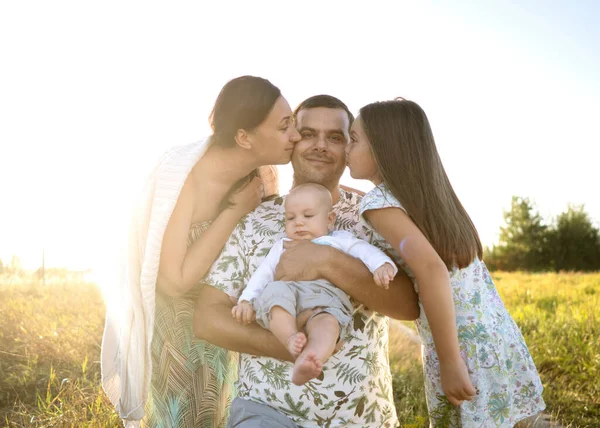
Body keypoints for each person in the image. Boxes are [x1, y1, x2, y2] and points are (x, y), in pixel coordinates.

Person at [194, 95, 420, 427]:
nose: (320, 145)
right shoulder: (252, 219)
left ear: (350, 148)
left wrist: (326, 259)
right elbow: (207, 319)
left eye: (336, 137)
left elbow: (408, 305)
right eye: (308, 133)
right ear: (291, 141)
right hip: (266, 409)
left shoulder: (374, 216)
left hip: (361, 416)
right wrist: (289, 346)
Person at [100, 75, 301, 427]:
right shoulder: (184, 176)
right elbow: (175, 281)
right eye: (285, 126)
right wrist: (234, 211)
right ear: (244, 137)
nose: (295, 136)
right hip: (179, 328)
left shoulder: (262, 176)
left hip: (228, 318)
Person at [345, 98, 546, 426]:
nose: (345, 149)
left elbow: (430, 269)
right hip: (497, 340)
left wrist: (450, 361)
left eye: (353, 139)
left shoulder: (377, 204)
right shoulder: (432, 197)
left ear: (383, 147)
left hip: (457, 349)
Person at [231, 183, 398, 386]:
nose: (298, 223)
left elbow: (364, 251)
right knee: (274, 297)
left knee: (328, 323)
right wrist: (247, 300)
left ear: (329, 219)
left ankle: (312, 357)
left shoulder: (338, 240)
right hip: (288, 294)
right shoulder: (282, 245)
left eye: (308, 216)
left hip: (326, 298)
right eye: (291, 218)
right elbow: (263, 274)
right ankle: (290, 338)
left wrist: (382, 265)